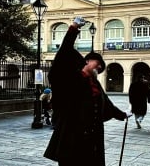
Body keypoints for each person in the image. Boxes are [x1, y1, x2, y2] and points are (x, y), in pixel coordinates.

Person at [43, 17, 132, 166]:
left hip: (93, 138)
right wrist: (74, 28)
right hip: (71, 136)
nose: (99, 69)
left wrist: (123, 115)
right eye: (98, 65)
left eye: (101, 69)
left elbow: (107, 105)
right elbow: (64, 53)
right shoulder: (69, 77)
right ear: (88, 61)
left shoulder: (95, 83)